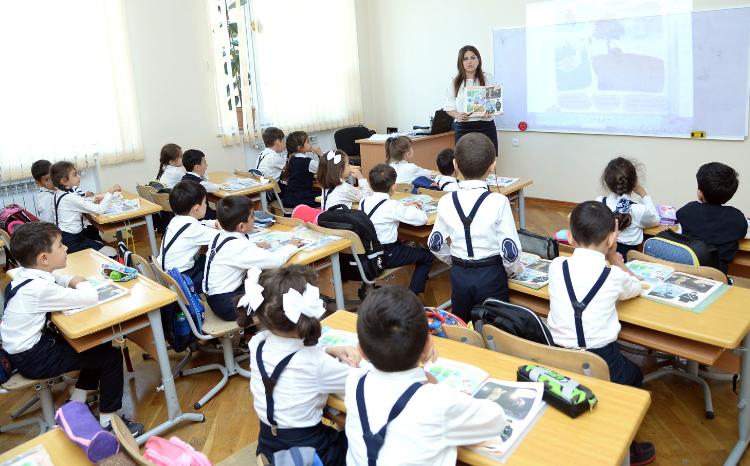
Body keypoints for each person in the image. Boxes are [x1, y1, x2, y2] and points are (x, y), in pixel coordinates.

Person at [0, 222, 143, 435]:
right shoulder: (39, 290)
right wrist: (78, 281)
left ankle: (77, 401)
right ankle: (109, 422)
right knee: (111, 358)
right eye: (60, 245)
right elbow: (90, 296)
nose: (66, 247)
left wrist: (67, 279)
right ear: (44, 259)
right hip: (34, 358)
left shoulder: (22, 274)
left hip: (21, 351)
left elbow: (54, 278)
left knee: (95, 344)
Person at [345, 286, 507, 466]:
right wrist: (429, 379)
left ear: (361, 351)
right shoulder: (438, 402)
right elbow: (497, 419)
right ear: (429, 343)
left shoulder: (354, 382)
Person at [546, 200, 655, 465]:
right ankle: (626, 446)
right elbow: (636, 286)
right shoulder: (614, 277)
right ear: (612, 238)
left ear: (570, 238)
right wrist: (614, 258)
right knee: (635, 374)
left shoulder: (556, 266)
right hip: (603, 360)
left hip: (557, 358)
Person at [239, 265, 359, 465]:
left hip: (268, 444)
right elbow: (359, 383)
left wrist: (328, 350)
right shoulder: (315, 362)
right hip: (310, 452)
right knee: (359, 442)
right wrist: (356, 364)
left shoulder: (257, 343)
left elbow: (291, 357)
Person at [428, 133, 522, 322]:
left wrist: (454, 261)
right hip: (491, 275)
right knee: (495, 327)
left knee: (463, 325)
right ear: (492, 165)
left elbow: (434, 244)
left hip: (459, 275)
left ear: (455, 165)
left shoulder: (446, 201)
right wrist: (511, 271)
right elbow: (511, 253)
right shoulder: (499, 201)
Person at [204, 195, 300, 321]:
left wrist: (254, 245)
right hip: (229, 305)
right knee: (279, 289)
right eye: (252, 216)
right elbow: (276, 261)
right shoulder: (239, 247)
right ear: (241, 226)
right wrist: (291, 246)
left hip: (215, 298)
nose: (254, 219)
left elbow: (233, 252)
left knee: (263, 279)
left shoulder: (219, 235)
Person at [360, 164, 433, 295]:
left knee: (409, 247)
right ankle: (412, 295)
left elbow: (383, 209)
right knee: (426, 256)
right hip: (387, 254)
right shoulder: (392, 206)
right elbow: (422, 219)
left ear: (370, 185)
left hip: (369, 251)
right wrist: (411, 208)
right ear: (394, 186)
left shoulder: (364, 201)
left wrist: (403, 206)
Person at [677, 162, 750, 275]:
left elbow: (680, 217)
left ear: (700, 193)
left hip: (687, 272)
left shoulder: (687, 211)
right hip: (717, 278)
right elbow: (742, 232)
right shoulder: (737, 218)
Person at [156, 181, 218, 293]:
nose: (206, 205)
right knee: (220, 271)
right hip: (183, 281)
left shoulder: (175, 220)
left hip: (168, 275)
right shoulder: (194, 230)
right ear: (196, 209)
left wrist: (213, 223)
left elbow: (199, 225)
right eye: (205, 202)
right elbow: (222, 237)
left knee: (204, 259)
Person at [49, 161, 120, 257]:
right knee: (113, 253)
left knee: (105, 247)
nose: (78, 177)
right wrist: (110, 192)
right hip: (72, 241)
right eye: (75, 175)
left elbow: (78, 203)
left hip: (66, 237)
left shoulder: (58, 194)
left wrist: (93, 201)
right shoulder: (69, 197)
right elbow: (99, 210)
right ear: (63, 181)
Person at [598, 157, 659, 259]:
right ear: (635, 181)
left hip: (604, 257)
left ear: (607, 182)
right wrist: (643, 193)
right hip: (628, 261)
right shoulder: (638, 209)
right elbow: (655, 219)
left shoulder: (599, 202)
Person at [443, 45, 499, 154]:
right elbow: (448, 107)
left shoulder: (488, 78)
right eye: (465, 59)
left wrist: (490, 111)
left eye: (473, 57)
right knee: (464, 159)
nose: (469, 62)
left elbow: (495, 102)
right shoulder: (455, 82)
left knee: (488, 159)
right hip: (464, 128)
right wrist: (458, 115)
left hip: (486, 126)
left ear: (478, 59)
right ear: (461, 62)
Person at [280, 131, 322, 208]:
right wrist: (320, 154)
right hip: (301, 199)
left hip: (288, 198)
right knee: (324, 196)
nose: (310, 144)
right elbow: (326, 169)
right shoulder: (308, 162)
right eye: (307, 142)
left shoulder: (291, 158)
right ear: (299, 148)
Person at [32, 159, 56, 224]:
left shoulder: (50, 192)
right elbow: (48, 222)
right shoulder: (47, 198)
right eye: (47, 179)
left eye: (53, 176)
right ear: (39, 183)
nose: (52, 181)